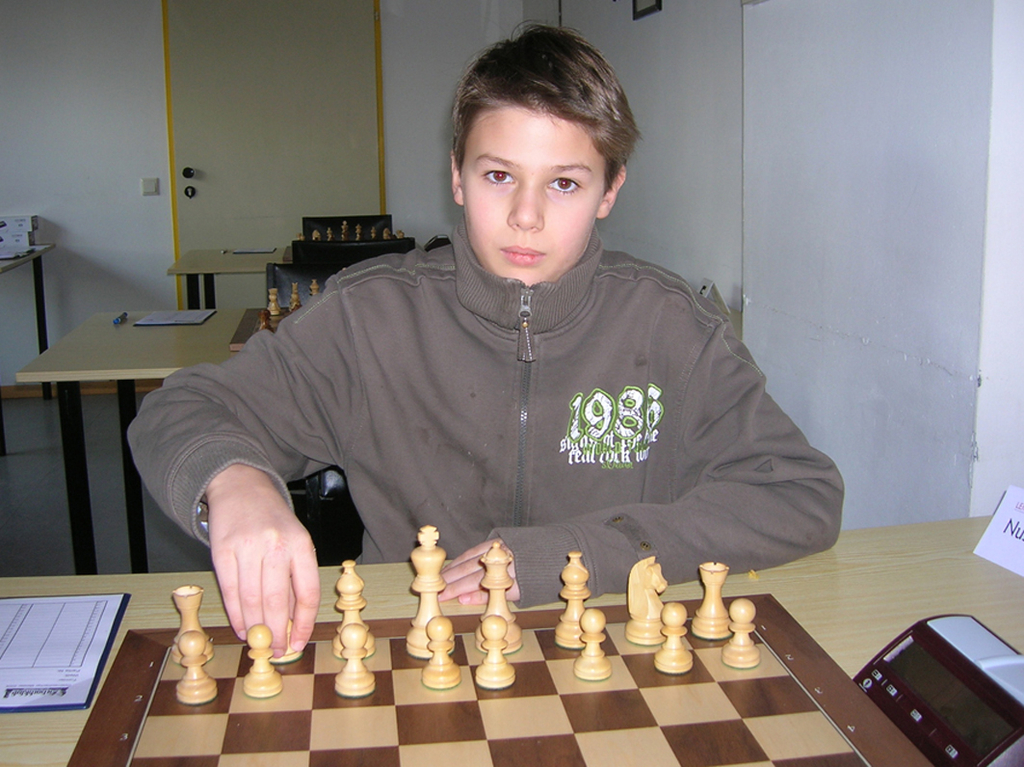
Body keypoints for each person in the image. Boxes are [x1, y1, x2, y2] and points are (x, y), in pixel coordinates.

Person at [128, 24, 843, 658]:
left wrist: (582, 552)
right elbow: (176, 410)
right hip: (416, 654)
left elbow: (801, 493)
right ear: (458, 177)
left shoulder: (672, 326)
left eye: (564, 184)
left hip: (616, 649)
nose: (526, 216)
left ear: (610, 190)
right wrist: (236, 482)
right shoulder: (367, 319)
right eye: (499, 175)